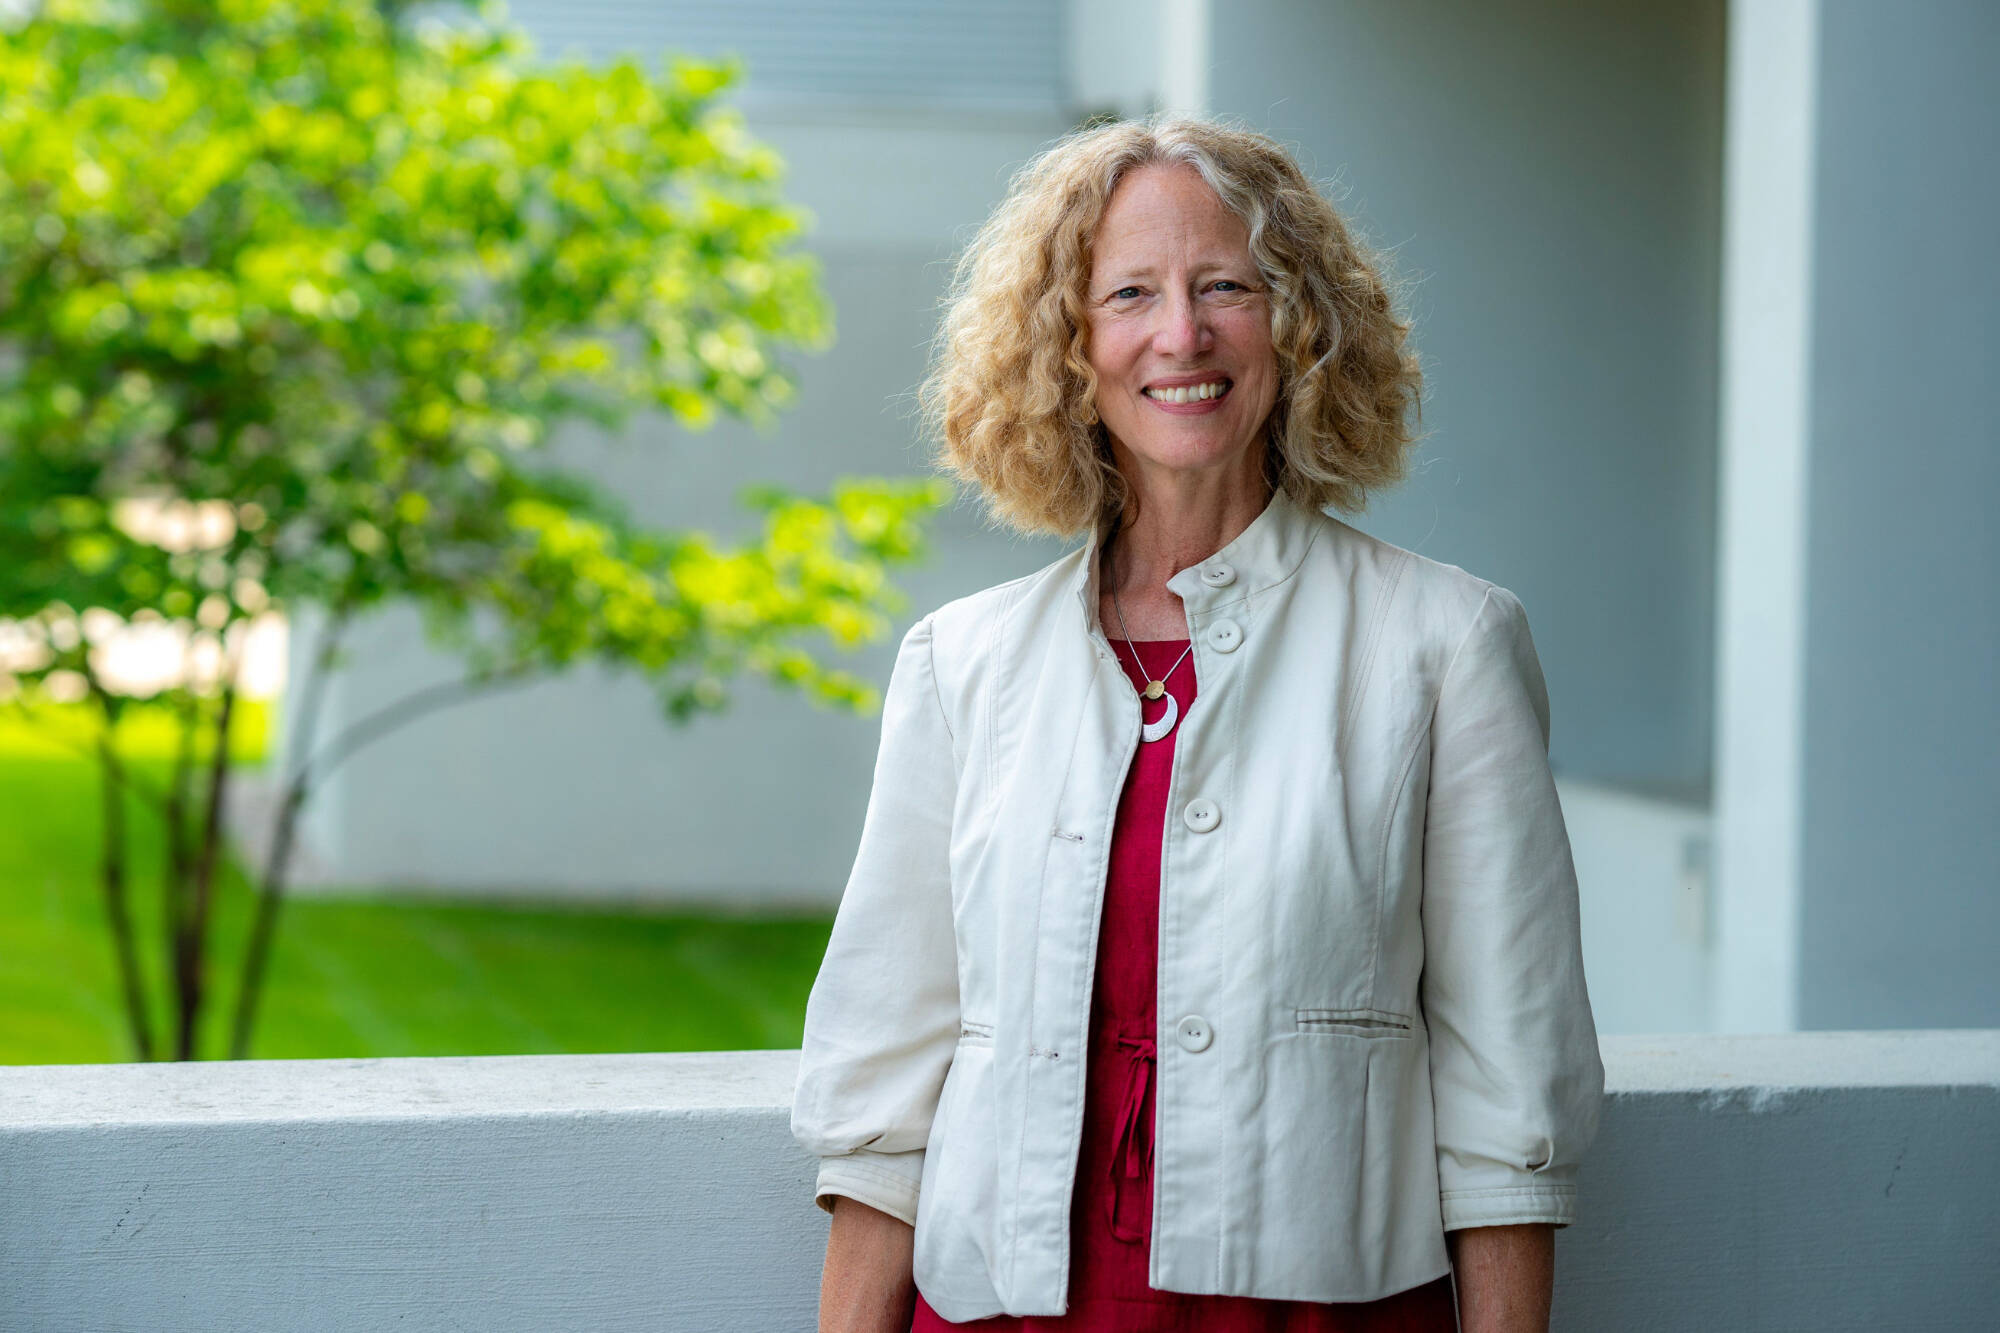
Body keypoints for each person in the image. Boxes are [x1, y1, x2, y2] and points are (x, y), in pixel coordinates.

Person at [791, 115, 1604, 1333]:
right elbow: (880, 1103)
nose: (1181, 334)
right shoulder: (961, 666)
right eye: (1129, 293)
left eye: (1226, 284)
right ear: (1066, 346)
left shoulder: (1443, 648)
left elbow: (1507, 1118)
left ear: (1302, 323)